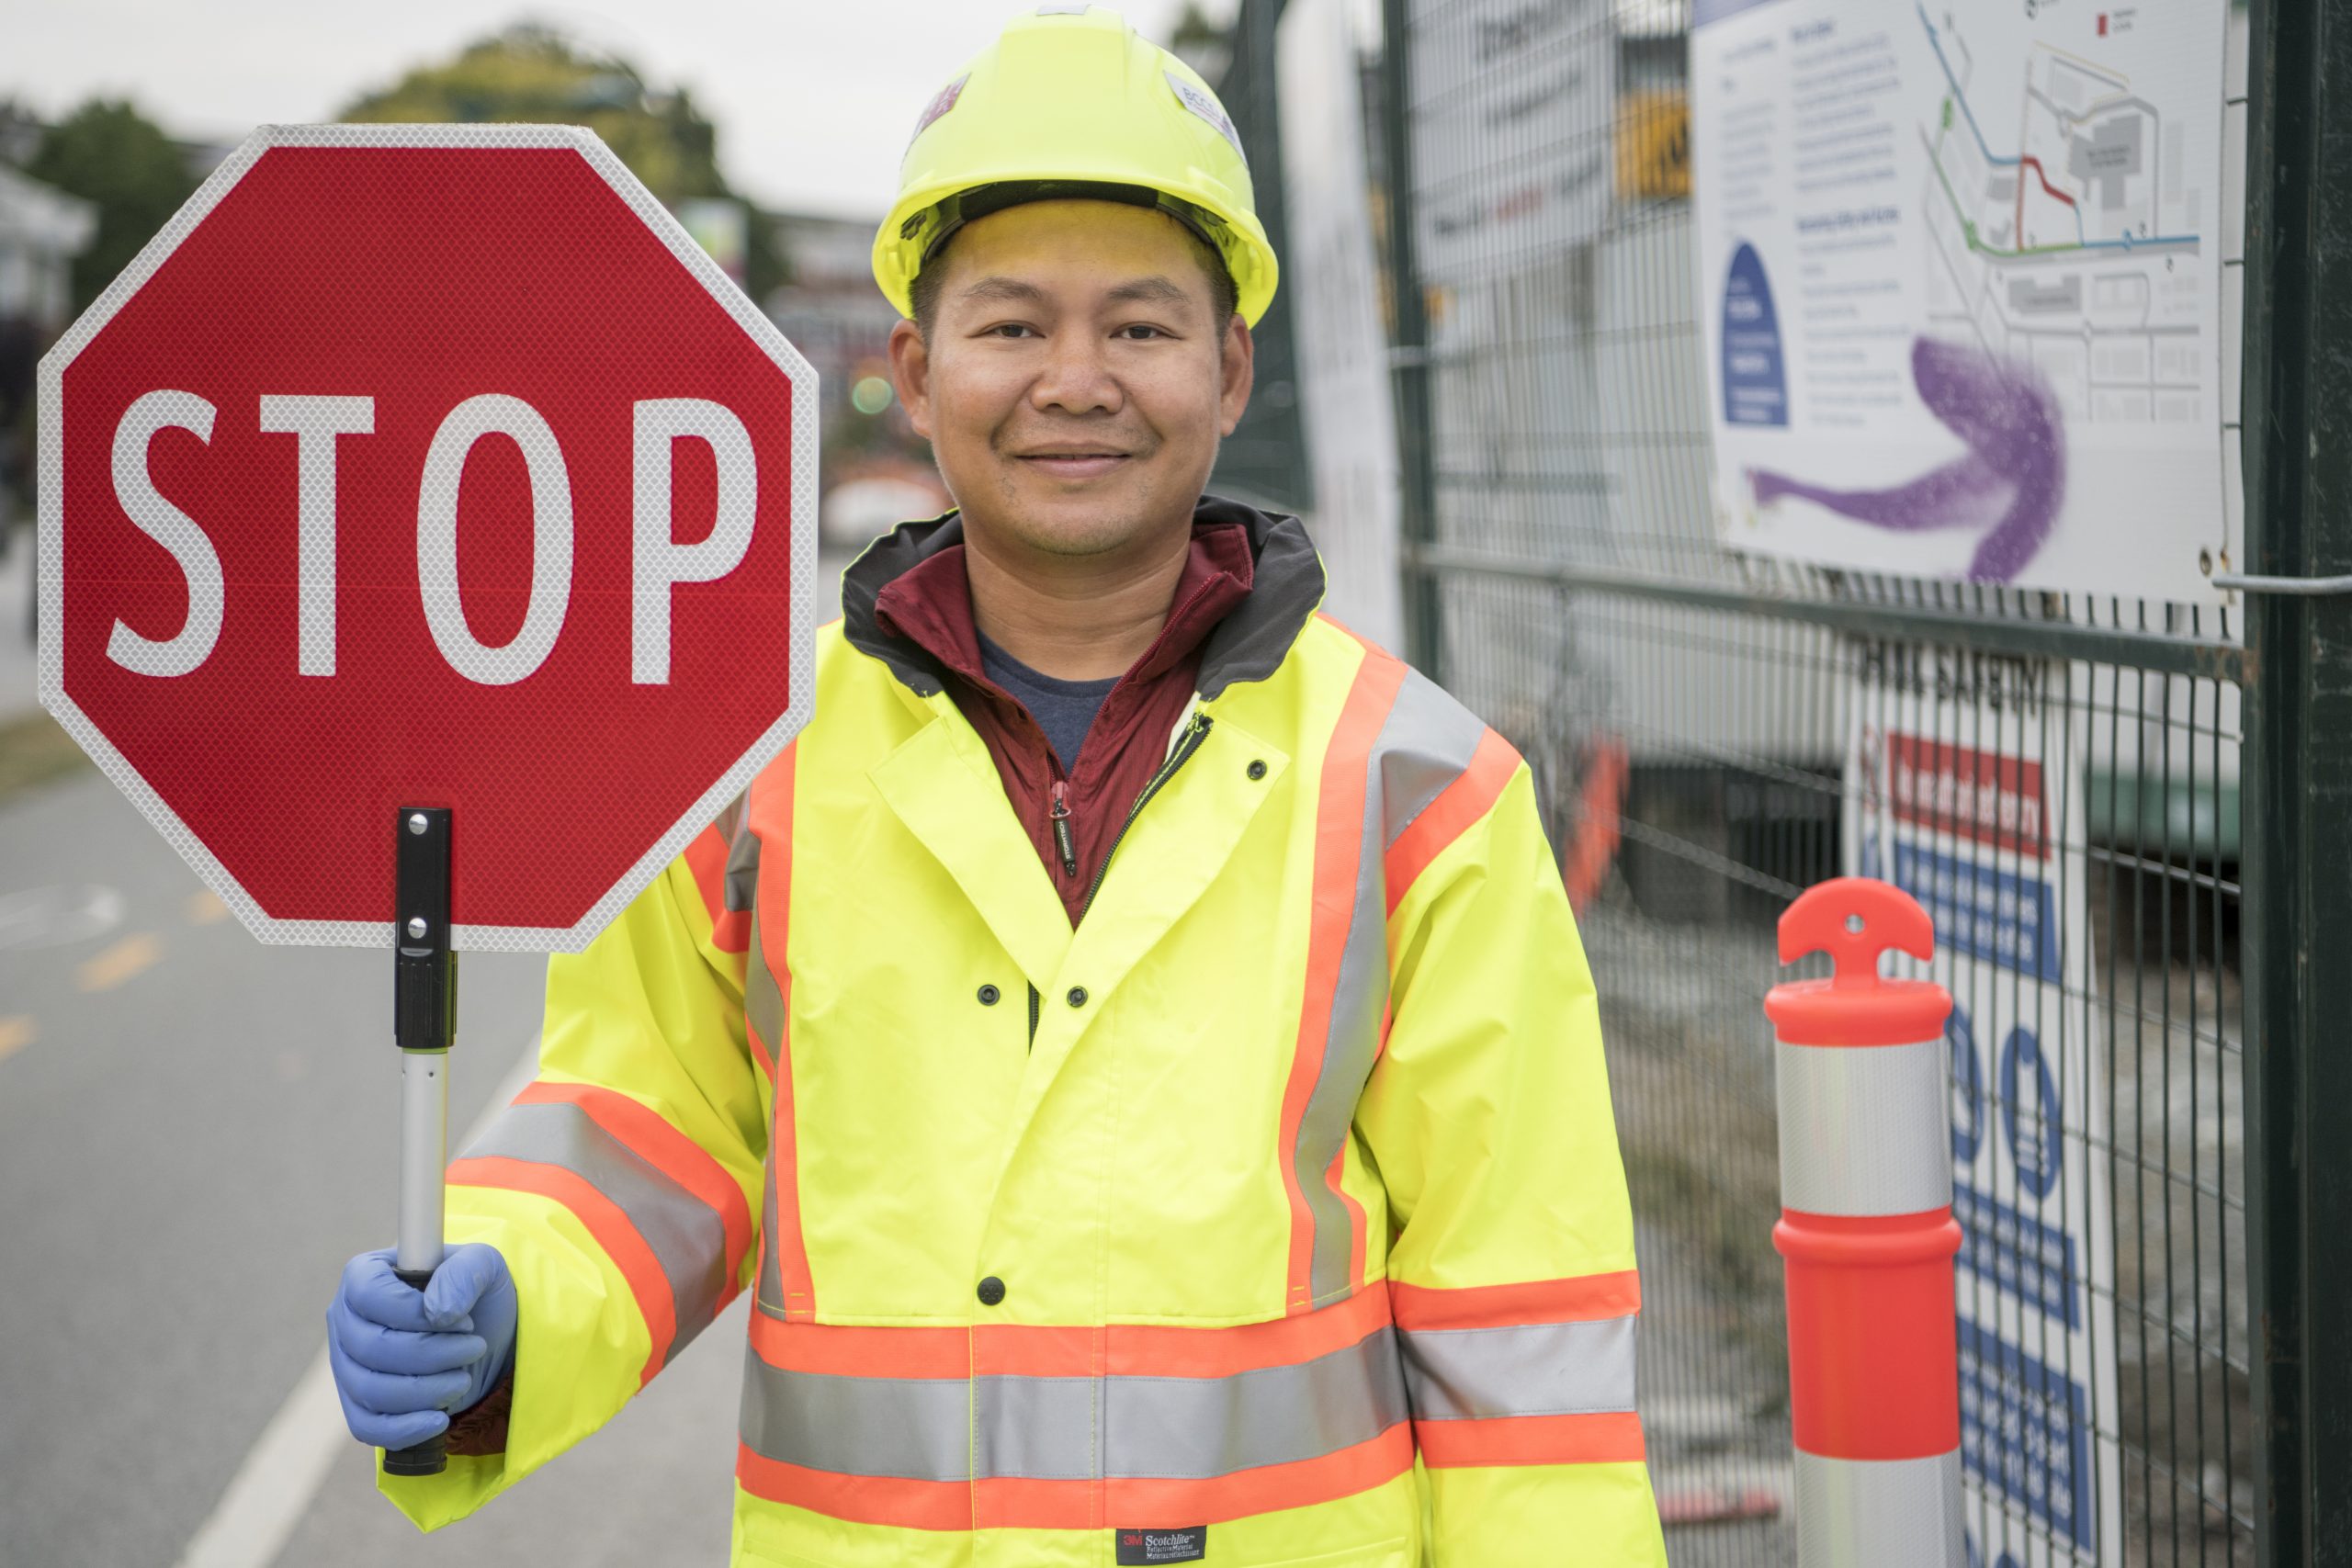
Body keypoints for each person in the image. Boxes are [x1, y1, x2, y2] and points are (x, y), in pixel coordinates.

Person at [325, 8, 1668, 1563]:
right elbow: (644, 1135)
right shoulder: (740, 773)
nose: (1077, 380)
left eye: (1143, 328)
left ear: (1231, 371)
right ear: (914, 367)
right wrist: (505, 1311)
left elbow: (1526, 1338)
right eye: (1015, 325)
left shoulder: (1423, 789)